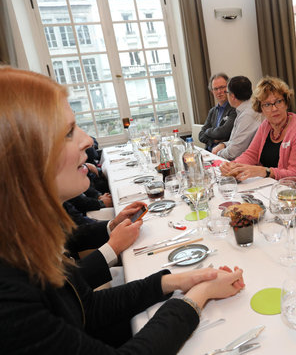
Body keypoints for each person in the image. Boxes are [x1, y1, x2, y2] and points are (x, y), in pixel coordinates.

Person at [0, 67, 245, 353]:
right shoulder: (9, 294)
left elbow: (86, 307)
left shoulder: (22, 241)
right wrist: (197, 296)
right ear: (24, 157)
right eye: (68, 132)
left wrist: (179, 280)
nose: (88, 141)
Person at [220, 76, 296, 194]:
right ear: (261, 108)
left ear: (286, 103)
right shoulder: (266, 125)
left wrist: (265, 171)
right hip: (269, 190)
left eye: (278, 101)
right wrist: (232, 166)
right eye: (267, 104)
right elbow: (251, 154)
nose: (274, 108)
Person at [212, 75, 262, 160]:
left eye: (226, 92)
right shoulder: (243, 110)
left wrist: (216, 154)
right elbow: (236, 141)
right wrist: (224, 144)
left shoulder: (247, 115)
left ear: (232, 96)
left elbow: (234, 153)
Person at [199, 73, 237, 151]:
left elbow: (223, 133)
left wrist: (208, 131)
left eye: (222, 87)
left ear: (229, 88)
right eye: (215, 89)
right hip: (209, 152)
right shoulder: (212, 111)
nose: (219, 91)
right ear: (212, 91)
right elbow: (201, 135)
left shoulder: (234, 109)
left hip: (224, 153)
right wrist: (213, 140)